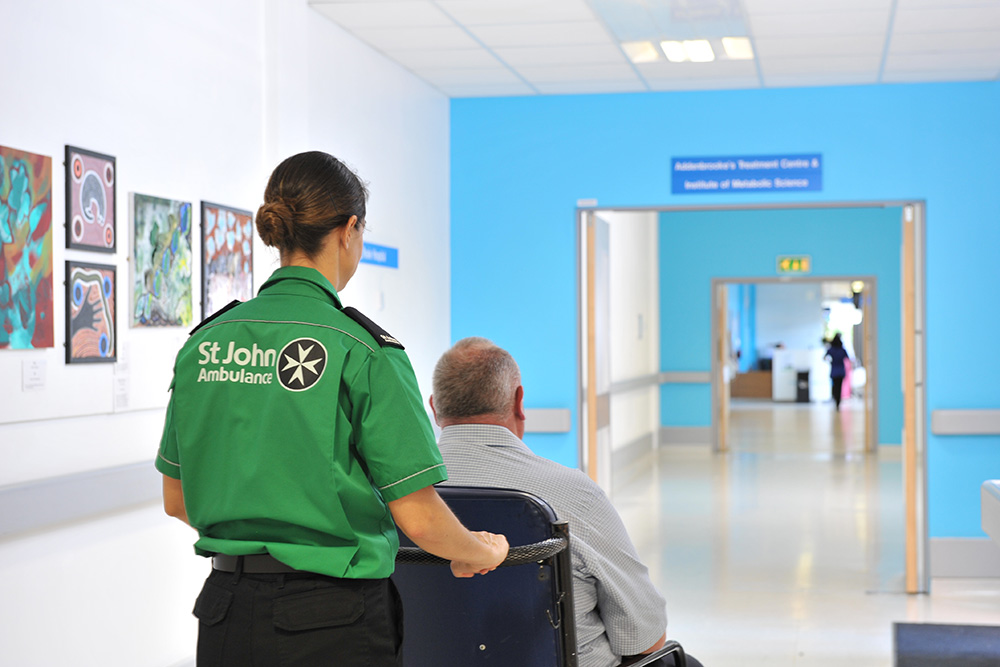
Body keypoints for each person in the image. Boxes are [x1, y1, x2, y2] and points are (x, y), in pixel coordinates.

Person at [156, 152, 508, 666]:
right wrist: (480, 552)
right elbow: (419, 517)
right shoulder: (363, 350)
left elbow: (178, 499)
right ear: (348, 230)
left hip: (224, 615)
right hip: (332, 623)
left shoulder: (206, 344)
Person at [430, 337, 702, 667]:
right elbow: (646, 638)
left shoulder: (398, 499)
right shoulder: (572, 493)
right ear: (519, 402)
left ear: (433, 407)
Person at [824, 333, 851, 411]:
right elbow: (848, 358)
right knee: (839, 387)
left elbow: (824, 357)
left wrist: (830, 361)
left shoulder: (831, 350)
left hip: (834, 371)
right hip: (841, 371)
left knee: (835, 387)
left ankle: (836, 400)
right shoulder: (842, 350)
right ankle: (838, 402)